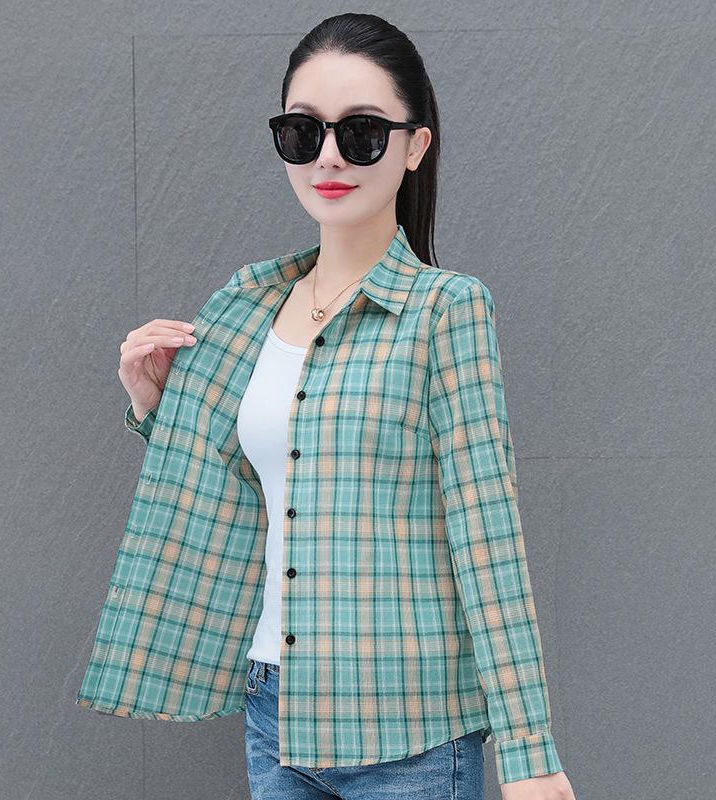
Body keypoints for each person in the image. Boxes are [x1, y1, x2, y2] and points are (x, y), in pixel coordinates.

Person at [77, 13, 576, 800]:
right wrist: (157, 409)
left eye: (363, 132)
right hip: (274, 708)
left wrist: (529, 752)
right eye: (304, 132)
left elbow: (487, 536)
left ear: (414, 145)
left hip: (408, 728)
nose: (331, 156)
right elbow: (258, 492)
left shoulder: (445, 310)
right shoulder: (247, 305)